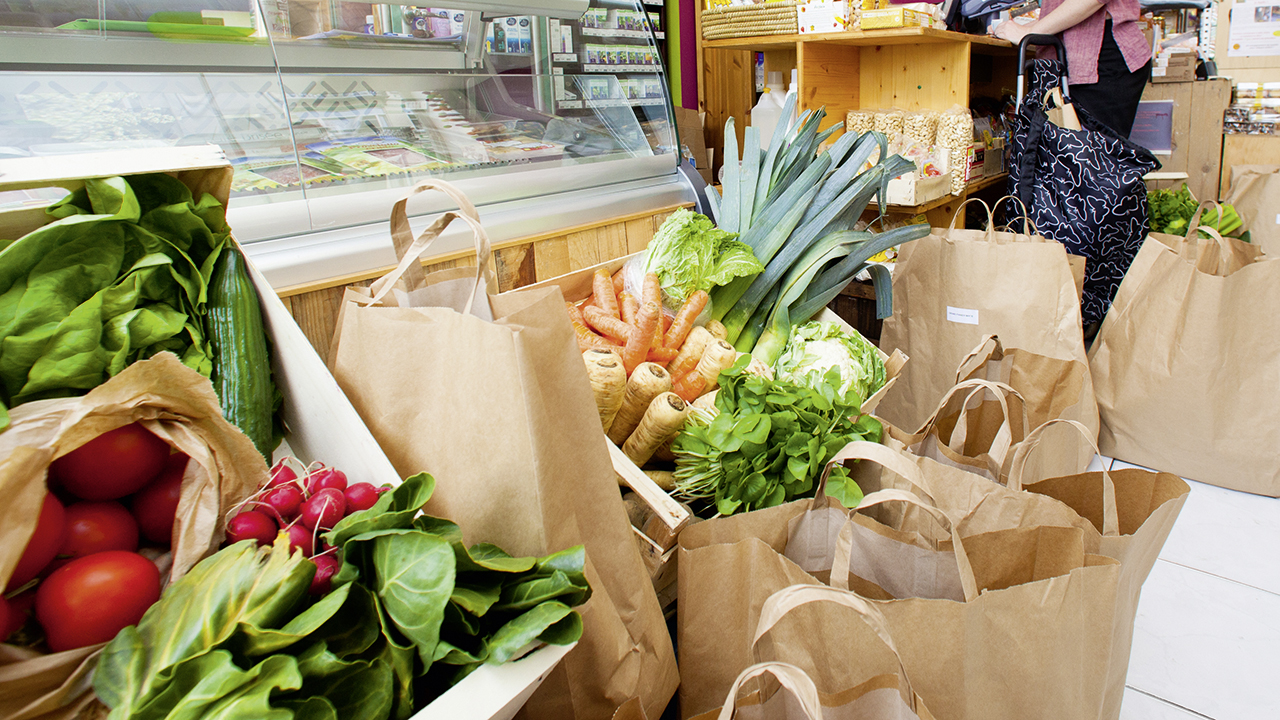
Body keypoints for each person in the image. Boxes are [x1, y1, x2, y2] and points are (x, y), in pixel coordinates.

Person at [993, 0, 1152, 137]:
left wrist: (1029, 32)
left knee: (1090, 163)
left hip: (1100, 57)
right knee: (1074, 161)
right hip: (1084, 53)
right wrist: (1021, 28)